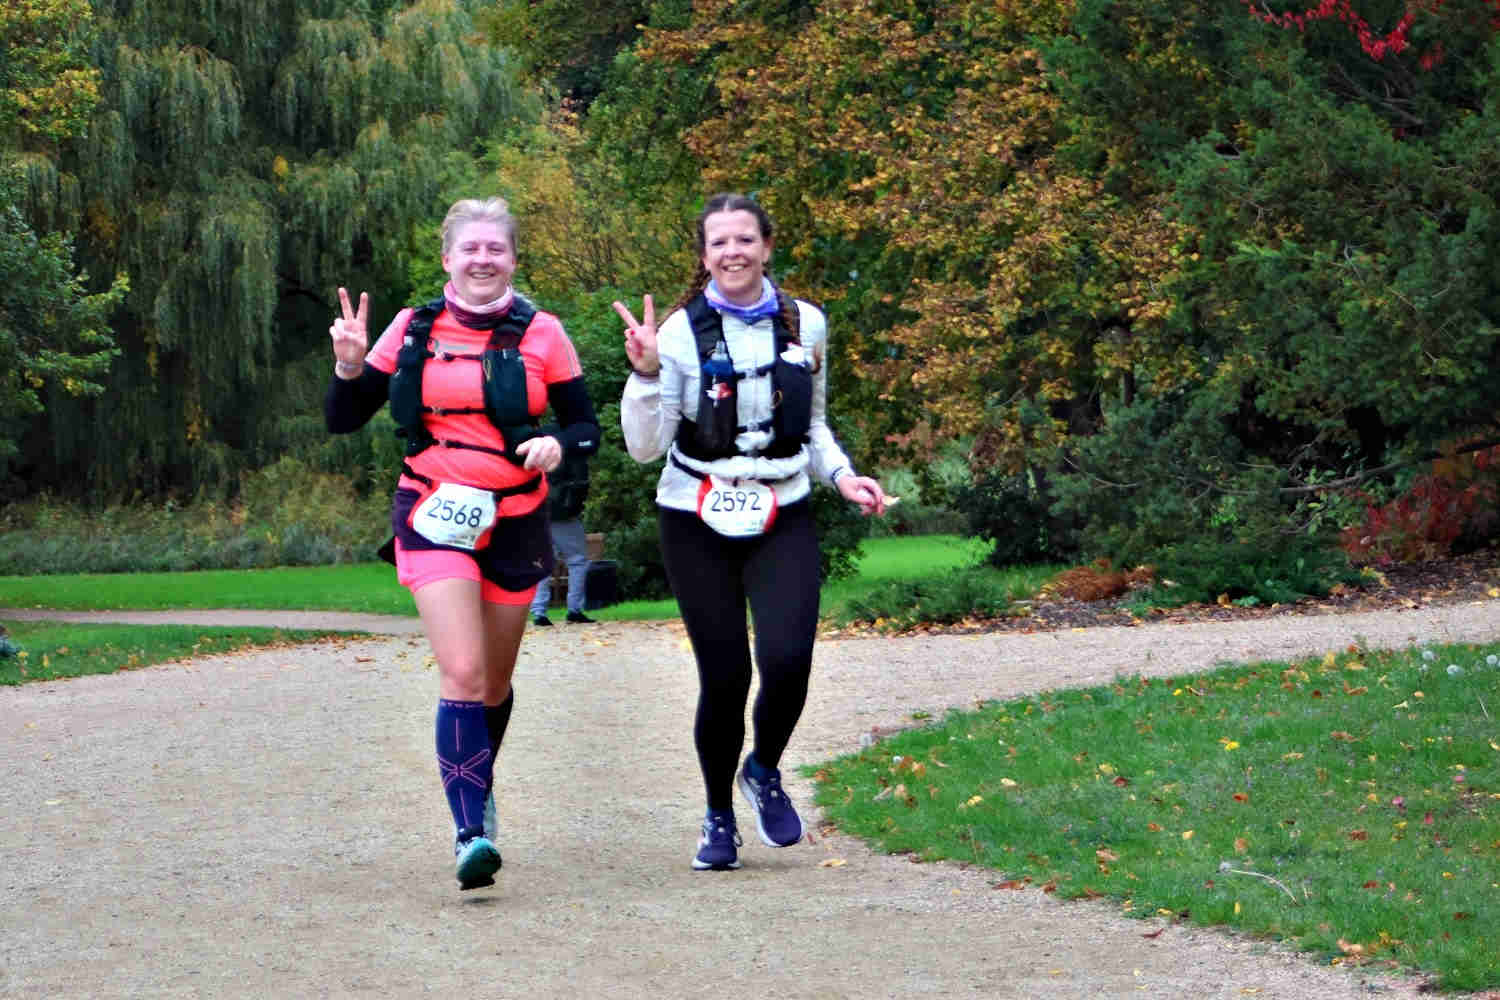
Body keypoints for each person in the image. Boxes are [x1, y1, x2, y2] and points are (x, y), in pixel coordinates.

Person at [325, 196, 599, 890]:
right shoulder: (411, 327)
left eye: (495, 249)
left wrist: (556, 444)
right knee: (464, 673)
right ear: (448, 258)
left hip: (516, 515)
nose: (483, 259)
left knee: (494, 684)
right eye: (470, 248)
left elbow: (585, 427)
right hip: (433, 509)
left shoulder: (544, 332)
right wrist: (351, 368)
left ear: (514, 259)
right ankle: (469, 832)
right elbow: (343, 418)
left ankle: (477, 782)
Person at [614, 193, 888, 871]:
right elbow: (645, 448)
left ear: (766, 246)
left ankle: (762, 768)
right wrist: (645, 374)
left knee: (789, 661)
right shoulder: (678, 334)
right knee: (727, 674)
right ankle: (717, 814)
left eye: (744, 240)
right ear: (703, 255)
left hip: (782, 507)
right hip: (694, 514)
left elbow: (813, 424)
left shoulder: (806, 323)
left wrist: (843, 476)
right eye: (719, 243)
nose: (732, 253)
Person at [529, 450, 596, 626]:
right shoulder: (572, 448)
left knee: (542, 563)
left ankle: (538, 612)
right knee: (577, 562)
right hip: (564, 514)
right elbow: (580, 482)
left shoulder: (537, 445)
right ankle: (574, 609)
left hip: (539, 511)